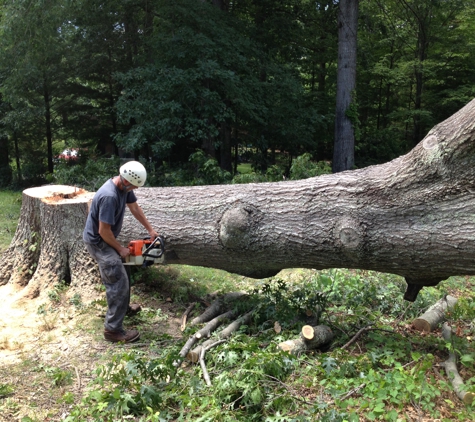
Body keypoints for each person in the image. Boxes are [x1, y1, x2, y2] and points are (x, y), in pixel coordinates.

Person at [83, 161, 159, 343]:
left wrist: (150, 230)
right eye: (133, 186)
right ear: (126, 180)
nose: (134, 189)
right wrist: (120, 248)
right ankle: (112, 330)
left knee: (125, 270)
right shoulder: (109, 196)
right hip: (99, 242)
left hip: (105, 239)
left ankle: (123, 309)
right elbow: (103, 231)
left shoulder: (124, 187)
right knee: (117, 279)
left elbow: (135, 208)